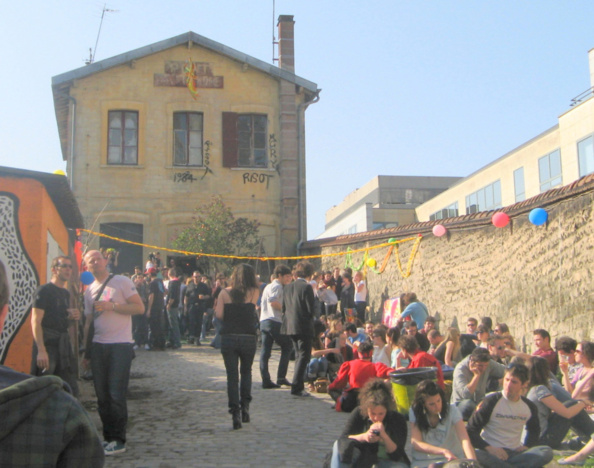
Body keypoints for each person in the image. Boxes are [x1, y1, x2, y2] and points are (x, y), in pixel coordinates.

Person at [81, 250, 145, 456]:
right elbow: (89, 322)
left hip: (120, 345)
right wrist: (86, 351)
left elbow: (139, 308)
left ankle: (118, 439)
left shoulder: (121, 281)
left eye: (99, 259)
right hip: (98, 346)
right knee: (102, 396)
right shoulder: (89, 290)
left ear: (106, 261)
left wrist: (113, 306)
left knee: (116, 394)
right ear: (87, 266)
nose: (96, 262)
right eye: (91, 261)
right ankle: (108, 438)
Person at [466, 362, 554, 468]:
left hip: (514, 453)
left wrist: (527, 446)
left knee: (546, 451)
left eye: (514, 382)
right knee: (477, 454)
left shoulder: (529, 406)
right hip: (490, 451)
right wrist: (489, 448)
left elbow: (534, 430)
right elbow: (470, 430)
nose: (508, 385)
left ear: (524, 384)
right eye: (507, 380)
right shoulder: (491, 401)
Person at [214, 263, 260, 429]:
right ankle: (245, 407)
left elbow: (219, 315)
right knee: (246, 372)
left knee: (232, 376)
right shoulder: (254, 292)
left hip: (229, 336)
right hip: (248, 336)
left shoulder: (224, 293)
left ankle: (235, 413)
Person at [328, 379, 410, 468]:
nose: (376, 418)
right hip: (362, 459)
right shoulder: (359, 413)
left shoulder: (397, 419)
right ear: (366, 409)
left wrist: (384, 436)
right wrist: (364, 437)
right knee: (339, 449)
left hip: (388, 461)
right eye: (373, 413)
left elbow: (397, 454)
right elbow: (344, 439)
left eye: (381, 414)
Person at [30, 255, 80, 397]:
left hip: (63, 345)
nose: (68, 270)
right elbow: (35, 321)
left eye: (70, 266)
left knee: (69, 389)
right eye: (64, 266)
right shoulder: (44, 290)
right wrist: (41, 350)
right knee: (43, 388)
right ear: (54, 269)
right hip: (47, 344)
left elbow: (62, 323)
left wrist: (72, 318)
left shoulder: (65, 293)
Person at [527, 356, 594, 450]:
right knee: (571, 405)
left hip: (533, 439)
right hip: (542, 440)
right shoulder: (539, 390)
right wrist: (583, 403)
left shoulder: (528, 389)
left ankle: (589, 437)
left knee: (570, 405)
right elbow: (567, 413)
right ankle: (591, 434)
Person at [410, 379, 477, 468]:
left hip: (452, 459)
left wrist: (473, 463)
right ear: (423, 404)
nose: (437, 406)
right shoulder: (415, 412)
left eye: (439, 401)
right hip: (424, 461)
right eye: (431, 404)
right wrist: (443, 451)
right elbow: (416, 443)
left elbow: (464, 440)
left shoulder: (452, 410)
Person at [281, 261, 316, 397]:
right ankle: (296, 386)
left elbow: (284, 308)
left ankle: (299, 385)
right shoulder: (306, 287)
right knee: (303, 356)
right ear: (309, 274)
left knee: (298, 355)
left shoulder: (288, 287)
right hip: (303, 326)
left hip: (290, 325)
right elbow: (310, 309)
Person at [328, 342, 394, 413]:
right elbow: (387, 372)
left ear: (359, 353)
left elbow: (340, 382)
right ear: (371, 353)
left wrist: (330, 387)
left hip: (349, 403)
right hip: (368, 400)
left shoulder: (349, 364)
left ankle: (338, 402)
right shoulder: (375, 366)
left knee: (331, 389)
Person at [259, 265, 293, 389]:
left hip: (264, 320)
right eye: (287, 276)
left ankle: (266, 379)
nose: (289, 279)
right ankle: (281, 377)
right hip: (274, 320)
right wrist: (286, 309)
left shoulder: (268, 286)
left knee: (265, 351)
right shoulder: (277, 286)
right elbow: (273, 302)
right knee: (287, 346)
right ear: (280, 276)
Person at [451, 347, 505, 420]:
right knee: (469, 405)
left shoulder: (489, 363)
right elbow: (466, 394)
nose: (483, 369)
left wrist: (506, 379)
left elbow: (506, 370)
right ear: (472, 361)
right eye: (480, 366)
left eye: (485, 366)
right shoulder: (460, 369)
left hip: (480, 401)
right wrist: (476, 376)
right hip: (460, 405)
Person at [185, 271, 211, 345]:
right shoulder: (190, 285)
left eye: (198, 276)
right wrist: (185, 306)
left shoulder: (203, 286)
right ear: (193, 277)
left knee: (199, 322)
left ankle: (197, 338)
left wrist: (203, 297)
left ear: (200, 277)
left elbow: (208, 295)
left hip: (200, 305)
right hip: (191, 305)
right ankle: (191, 337)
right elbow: (186, 296)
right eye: (195, 276)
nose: (197, 278)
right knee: (191, 322)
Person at [146, 267, 166, 350]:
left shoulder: (152, 283)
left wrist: (149, 309)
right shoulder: (160, 281)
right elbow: (165, 292)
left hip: (154, 307)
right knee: (160, 326)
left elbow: (151, 296)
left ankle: (154, 344)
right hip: (160, 306)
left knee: (153, 326)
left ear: (150, 274)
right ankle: (161, 344)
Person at [165, 267, 182, 349]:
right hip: (176, 305)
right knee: (172, 323)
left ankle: (177, 342)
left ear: (169, 274)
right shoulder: (177, 282)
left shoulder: (172, 283)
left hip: (172, 306)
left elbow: (172, 296)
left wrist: (169, 304)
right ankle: (171, 340)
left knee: (173, 324)